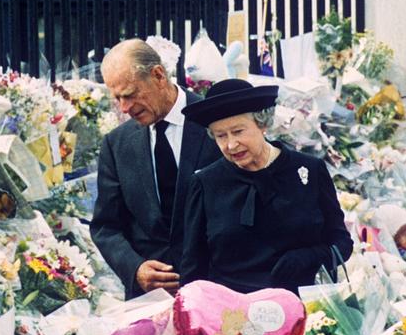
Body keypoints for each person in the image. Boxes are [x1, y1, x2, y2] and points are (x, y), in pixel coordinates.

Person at [179, 78, 353, 294]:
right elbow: (193, 270)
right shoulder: (205, 184)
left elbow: (342, 242)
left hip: (306, 309)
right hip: (233, 315)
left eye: (238, 131)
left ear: (262, 124)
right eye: (221, 136)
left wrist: (310, 257)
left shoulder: (309, 170)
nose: (231, 145)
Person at [91, 39, 220, 298]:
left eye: (129, 94)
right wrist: (135, 268)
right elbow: (106, 226)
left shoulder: (216, 125)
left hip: (216, 291)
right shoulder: (116, 144)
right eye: (117, 98)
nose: (125, 108)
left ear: (158, 76)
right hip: (148, 302)